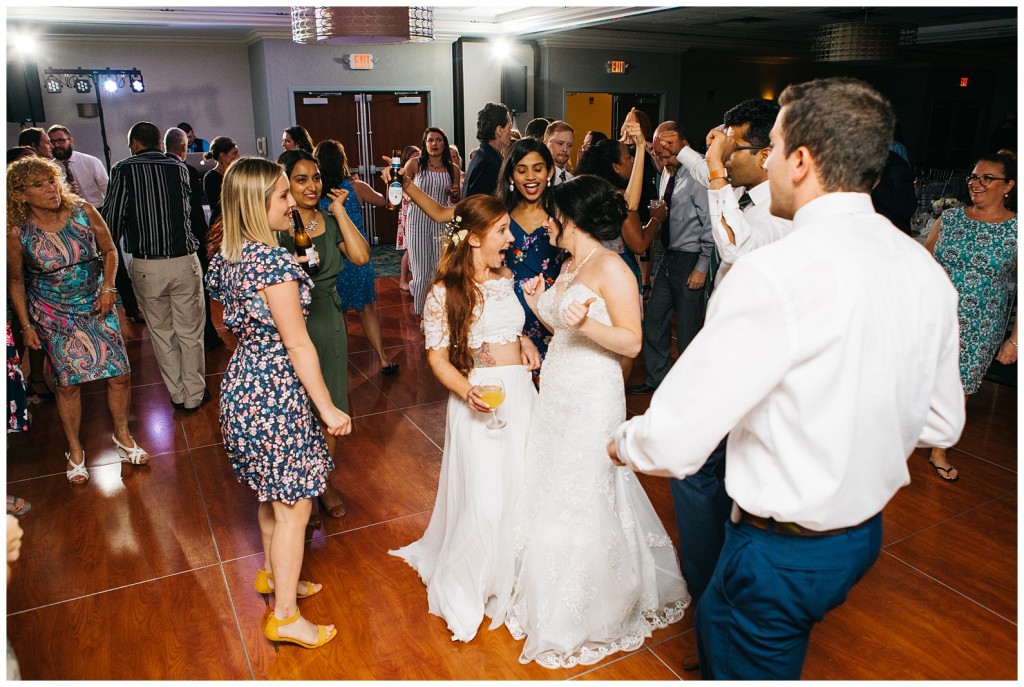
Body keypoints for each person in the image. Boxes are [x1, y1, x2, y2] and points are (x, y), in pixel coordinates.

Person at [610, 77, 965, 680]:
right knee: (726, 620)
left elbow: (674, 441)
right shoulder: (922, 268)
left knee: (744, 648)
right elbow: (941, 420)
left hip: (781, 551)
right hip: (860, 538)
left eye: (772, 147)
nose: (766, 161)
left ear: (801, 161)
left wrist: (622, 443)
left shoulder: (774, 273)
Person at [502, 175, 689, 668]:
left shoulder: (614, 269)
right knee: (554, 481)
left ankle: (591, 605)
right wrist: (544, 301)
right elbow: (564, 325)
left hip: (593, 392)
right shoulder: (570, 263)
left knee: (585, 486)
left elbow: (631, 342)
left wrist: (581, 322)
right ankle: (548, 583)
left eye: (553, 214)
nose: (546, 220)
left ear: (573, 218)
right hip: (560, 385)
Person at [205, 156, 351, 650]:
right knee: (296, 506)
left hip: (242, 386)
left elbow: (227, 325)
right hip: (276, 392)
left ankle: (274, 575)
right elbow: (298, 344)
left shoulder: (226, 256)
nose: (294, 203)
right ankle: (285, 616)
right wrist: (328, 408)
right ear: (255, 204)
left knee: (271, 495)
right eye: (284, 196)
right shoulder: (271, 262)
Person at [390, 194, 541, 642]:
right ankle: (474, 578)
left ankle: (515, 574)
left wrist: (525, 344)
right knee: (485, 497)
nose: (511, 238)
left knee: (521, 484)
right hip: (478, 398)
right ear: (473, 238)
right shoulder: (443, 293)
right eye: (501, 231)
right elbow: (437, 359)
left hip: (519, 393)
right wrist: (467, 390)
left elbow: (510, 327)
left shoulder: (507, 275)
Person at [7, 157, 150, 484]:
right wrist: (27, 325)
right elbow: (15, 280)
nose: (51, 189)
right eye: (40, 184)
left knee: (119, 375)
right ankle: (75, 451)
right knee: (68, 385)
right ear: (19, 195)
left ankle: (123, 437)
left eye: (52, 180)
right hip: (52, 313)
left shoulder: (83, 211)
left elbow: (110, 250)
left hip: (97, 304)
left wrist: (108, 287)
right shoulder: (17, 232)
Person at [277, 148, 369, 523]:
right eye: (301, 179)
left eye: (315, 177)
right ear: (285, 184)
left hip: (328, 320)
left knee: (330, 407)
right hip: (287, 325)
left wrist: (341, 212)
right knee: (296, 411)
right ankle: (298, 493)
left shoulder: (330, 222)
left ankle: (321, 484)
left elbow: (362, 257)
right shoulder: (278, 227)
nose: (312, 186)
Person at [101, 121, 208, 412]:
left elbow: (111, 221)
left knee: (162, 333)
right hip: (185, 260)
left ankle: (178, 394)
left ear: (135, 143)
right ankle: (195, 394)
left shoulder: (124, 169)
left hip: (148, 264)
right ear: (160, 143)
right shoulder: (181, 169)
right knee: (190, 333)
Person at [924, 151, 1017, 482]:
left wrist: (1015, 340)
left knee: (958, 385)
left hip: (980, 323)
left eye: (987, 178)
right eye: (974, 177)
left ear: (1009, 186)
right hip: (933, 316)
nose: (977, 184)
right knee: (918, 377)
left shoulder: (1016, 231)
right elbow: (924, 262)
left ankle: (939, 450)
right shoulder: (949, 218)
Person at [626, 120, 713, 395]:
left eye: (666, 154)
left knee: (688, 329)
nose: (662, 160)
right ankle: (659, 380)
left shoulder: (700, 175)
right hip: (669, 256)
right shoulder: (667, 171)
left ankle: (690, 390)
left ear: (682, 145)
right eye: (659, 155)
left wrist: (701, 266)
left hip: (692, 257)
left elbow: (710, 224)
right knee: (653, 318)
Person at [313, 140, 398, 374]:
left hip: (331, 258)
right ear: (343, 161)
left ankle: (339, 363)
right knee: (365, 309)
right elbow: (384, 201)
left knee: (338, 312)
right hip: (357, 254)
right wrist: (391, 181)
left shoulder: (316, 193)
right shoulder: (355, 187)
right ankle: (382, 358)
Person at [164, 126, 223, 351]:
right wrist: (203, 240)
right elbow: (196, 212)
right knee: (198, 293)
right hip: (189, 241)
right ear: (184, 148)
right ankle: (206, 335)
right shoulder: (186, 170)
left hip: (167, 244)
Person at [402, 127, 461, 314]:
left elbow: (455, 201)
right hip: (417, 223)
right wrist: (409, 196)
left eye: (438, 140)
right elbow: (400, 186)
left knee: (439, 272)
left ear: (444, 143)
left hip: (442, 223)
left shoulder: (454, 169)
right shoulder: (414, 164)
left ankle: (438, 314)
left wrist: (454, 194)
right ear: (424, 144)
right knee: (420, 274)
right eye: (429, 140)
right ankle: (421, 315)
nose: (434, 143)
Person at [47, 125, 108, 206]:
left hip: (97, 210)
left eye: (60, 140)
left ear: (71, 141)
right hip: (67, 213)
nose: (56, 145)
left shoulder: (91, 162)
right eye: (52, 142)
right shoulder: (50, 168)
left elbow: (107, 190)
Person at [462, 102, 512, 198]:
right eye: (509, 127)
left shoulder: (483, 155)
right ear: (499, 130)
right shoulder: (489, 162)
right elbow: (479, 204)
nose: (511, 133)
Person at [396, 145, 420, 292]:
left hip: (418, 211)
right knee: (409, 249)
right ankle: (403, 280)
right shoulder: (404, 176)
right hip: (408, 214)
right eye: (413, 158)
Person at [202, 136, 240, 224]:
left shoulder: (236, 174)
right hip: (221, 224)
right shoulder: (211, 177)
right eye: (234, 153)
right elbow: (219, 206)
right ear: (223, 156)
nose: (238, 156)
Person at [543, 120, 575, 185]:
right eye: (560, 143)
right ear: (545, 143)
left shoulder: (572, 179)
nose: (565, 149)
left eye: (569, 145)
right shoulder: (540, 180)